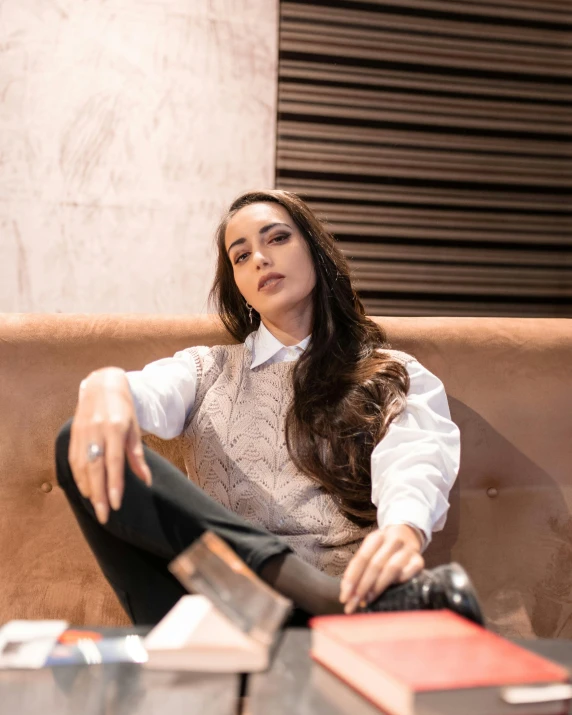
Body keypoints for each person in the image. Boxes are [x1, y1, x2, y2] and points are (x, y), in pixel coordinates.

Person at [55, 190, 483, 626]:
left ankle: (315, 605)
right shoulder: (206, 370)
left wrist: (404, 529)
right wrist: (107, 386)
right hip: (221, 609)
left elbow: (414, 460)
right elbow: (149, 390)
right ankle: (315, 597)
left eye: (276, 239)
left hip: (348, 603)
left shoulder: (389, 373)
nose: (259, 258)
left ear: (316, 254)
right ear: (238, 287)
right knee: (76, 439)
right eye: (240, 257)